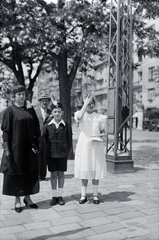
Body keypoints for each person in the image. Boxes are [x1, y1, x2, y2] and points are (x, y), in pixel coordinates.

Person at [0, 85, 41, 213]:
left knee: (29, 171)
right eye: (19, 94)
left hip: (29, 148)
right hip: (15, 147)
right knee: (16, 172)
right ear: (14, 97)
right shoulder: (9, 111)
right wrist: (7, 149)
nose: (22, 96)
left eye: (23, 94)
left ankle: (27, 198)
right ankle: (17, 200)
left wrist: (36, 143)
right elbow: (5, 132)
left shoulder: (30, 110)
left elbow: (36, 128)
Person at [74, 94, 107, 204]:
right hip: (84, 144)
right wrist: (85, 104)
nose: (91, 105)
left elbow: (102, 131)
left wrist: (103, 136)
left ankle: (95, 194)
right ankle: (83, 195)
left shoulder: (99, 117)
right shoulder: (80, 114)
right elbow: (79, 118)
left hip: (96, 144)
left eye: (92, 102)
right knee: (84, 168)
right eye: (89, 103)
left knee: (95, 169)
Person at [43, 102, 72, 206]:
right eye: (55, 111)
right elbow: (44, 140)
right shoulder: (47, 126)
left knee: (61, 174)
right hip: (51, 154)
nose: (57, 113)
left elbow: (69, 140)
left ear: (63, 112)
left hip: (62, 154)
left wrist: (67, 153)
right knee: (53, 174)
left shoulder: (66, 126)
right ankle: (54, 196)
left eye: (59, 111)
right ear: (52, 113)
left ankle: (60, 195)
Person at [35, 94, 52, 181]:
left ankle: (42, 176)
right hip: (37, 137)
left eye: (46, 101)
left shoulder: (51, 112)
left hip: (47, 138)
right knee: (37, 156)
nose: (44, 102)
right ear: (40, 102)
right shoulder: (35, 111)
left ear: (48, 102)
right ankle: (36, 175)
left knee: (44, 157)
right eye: (43, 101)